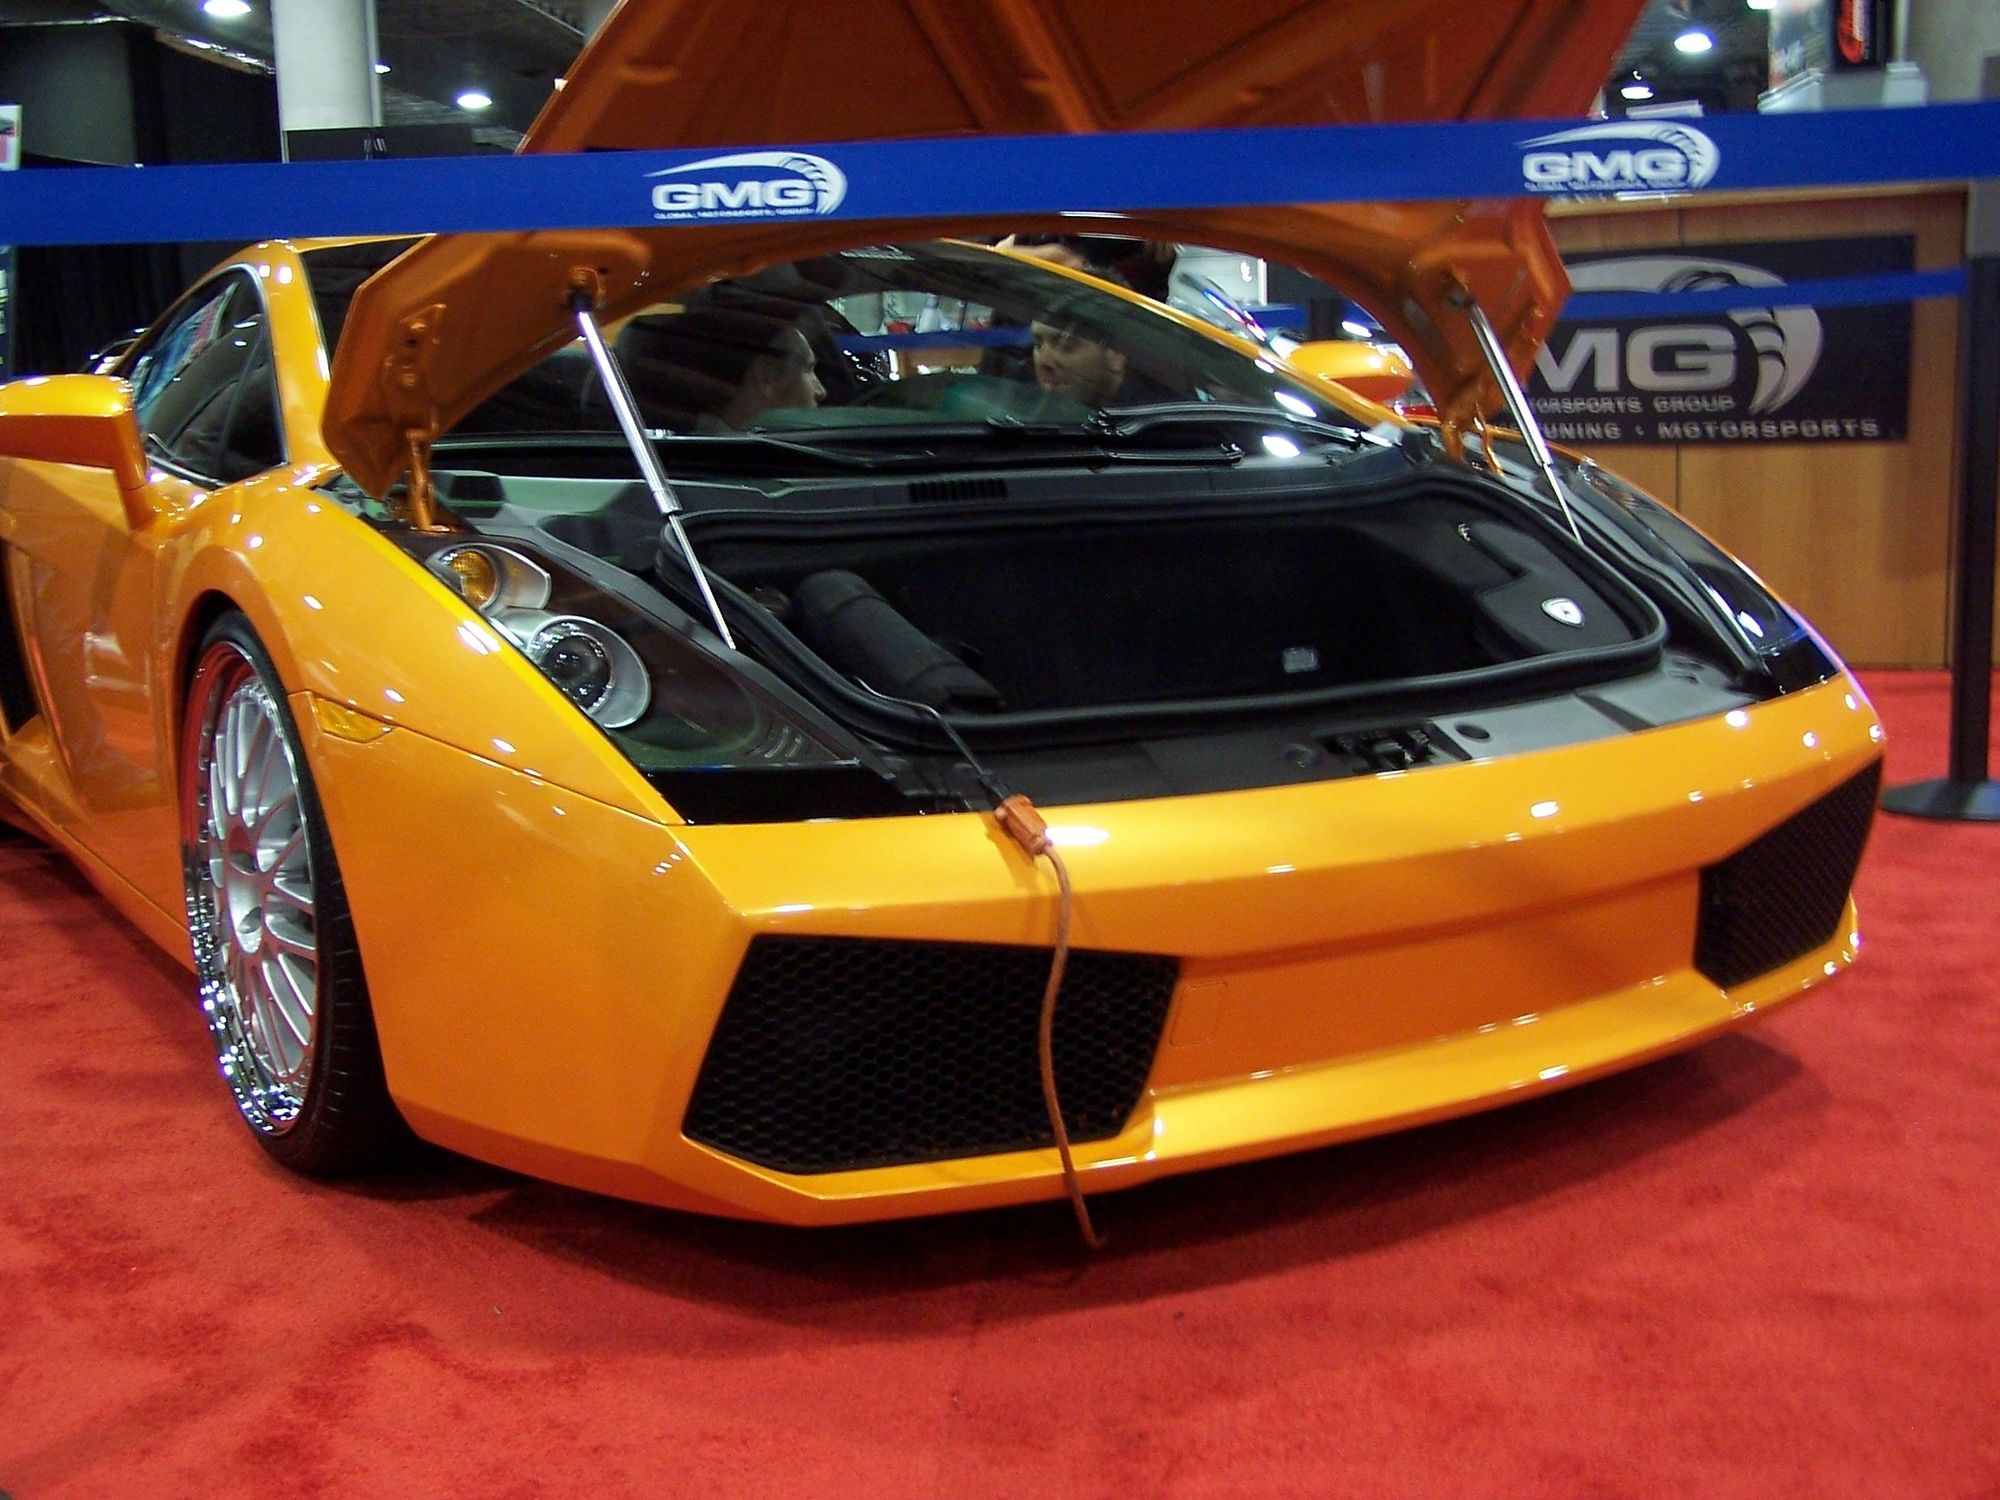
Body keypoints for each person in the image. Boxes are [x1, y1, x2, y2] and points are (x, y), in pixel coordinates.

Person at [615, 305, 825, 430]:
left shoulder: (666, 451)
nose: (821, 391)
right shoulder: (752, 463)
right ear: (767, 379)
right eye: (808, 370)